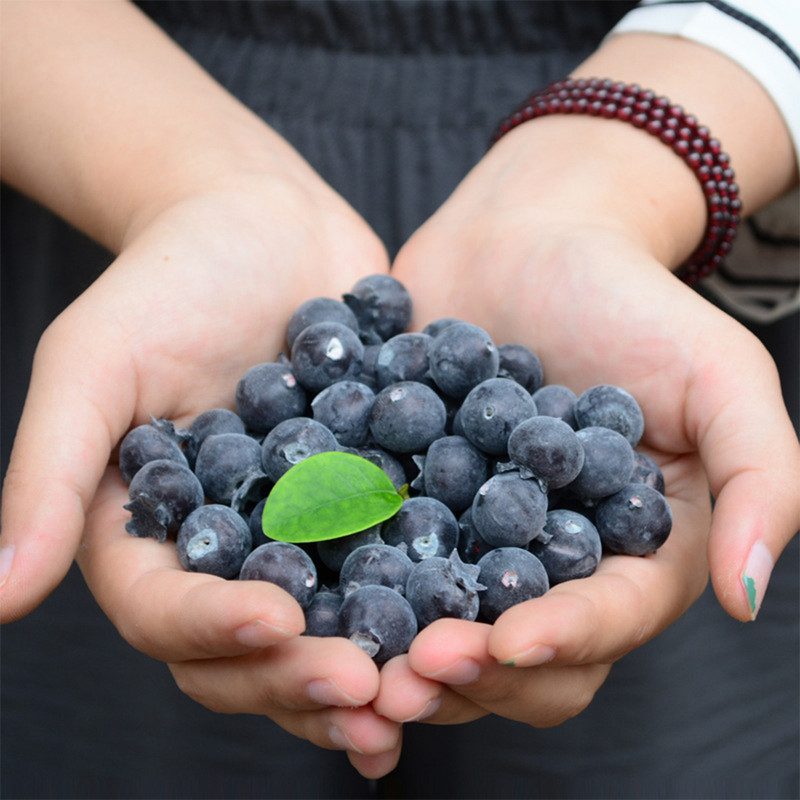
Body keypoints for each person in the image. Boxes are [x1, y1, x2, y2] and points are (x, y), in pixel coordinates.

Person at [1, 1, 798, 797]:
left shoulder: (524, 452)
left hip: (646, 143)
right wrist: (184, 185)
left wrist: (618, 178)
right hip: (130, 131)